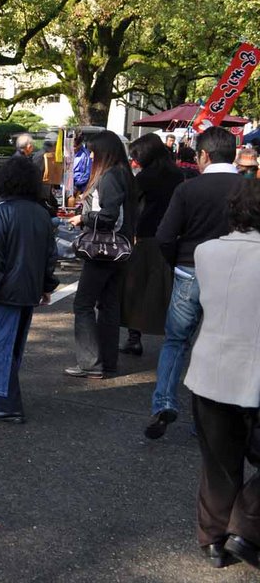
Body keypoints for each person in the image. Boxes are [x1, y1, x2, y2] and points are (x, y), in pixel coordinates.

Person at [146, 127, 244, 439]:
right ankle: (209, 419)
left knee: (176, 341)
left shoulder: (188, 189)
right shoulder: (249, 188)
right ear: (234, 154)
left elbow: (164, 235)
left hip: (190, 268)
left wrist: (177, 261)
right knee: (222, 344)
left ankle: (163, 402)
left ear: (203, 155)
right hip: (235, 275)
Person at [182, 180, 260, 569]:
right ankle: (245, 528)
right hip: (254, 373)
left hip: (210, 369)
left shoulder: (206, 251)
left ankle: (213, 540)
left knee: (218, 464)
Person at [0, 158, 59, 424]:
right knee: (12, 347)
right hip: (28, 292)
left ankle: (7, 404)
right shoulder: (40, 213)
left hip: (1, 293)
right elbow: (51, 256)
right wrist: (46, 286)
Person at [64, 131, 137, 379]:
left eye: (93, 151)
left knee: (83, 304)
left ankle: (90, 363)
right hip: (119, 251)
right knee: (109, 305)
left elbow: (108, 216)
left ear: (105, 152)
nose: (91, 155)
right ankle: (108, 362)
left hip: (102, 251)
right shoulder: (124, 173)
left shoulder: (109, 176)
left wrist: (82, 218)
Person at [118, 134, 184, 356]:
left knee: (135, 288)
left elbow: (131, 205)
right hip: (172, 236)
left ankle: (134, 337)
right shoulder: (177, 174)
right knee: (167, 290)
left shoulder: (144, 177)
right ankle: (174, 337)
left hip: (144, 236)